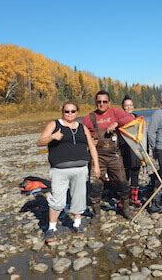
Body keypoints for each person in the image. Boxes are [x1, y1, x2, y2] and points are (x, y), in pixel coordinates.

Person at [37, 101, 100, 242]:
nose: (70, 114)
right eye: (67, 111)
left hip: (81, 169)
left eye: (73, 111)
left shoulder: (82, 127)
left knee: (78, 198)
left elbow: (91, 146)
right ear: (62, 111)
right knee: (57, 199)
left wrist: (96, 165)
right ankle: (51, 228)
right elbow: (40, 142)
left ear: (77, 112)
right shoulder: (54, 124)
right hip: (60, 170)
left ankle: (77, 225)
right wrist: (52, 137)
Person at [82, 90, 134, 220]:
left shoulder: (115, 112)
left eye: (104, 101)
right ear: (95, 102)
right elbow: (82, 133)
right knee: (95, 184)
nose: (102, 104)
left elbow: (131, 118)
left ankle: (125, 207)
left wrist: (117, 123)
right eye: (99, 101)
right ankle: (97, 213)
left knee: (122, 182)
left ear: (109, 102)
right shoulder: (89, 117)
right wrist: (89, 141)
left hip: (114, 155)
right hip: (97, 156)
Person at [120, 95, 142, 206]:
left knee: (135, 173)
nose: (128, 108)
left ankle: (134, 197)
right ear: (123, 107)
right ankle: (122, 198)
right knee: (124, 175)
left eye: (130, 105)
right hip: (124, 150)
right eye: (126, 106)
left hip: (136, 151)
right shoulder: (120, 120)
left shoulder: (138, 118)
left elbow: (142, 135)